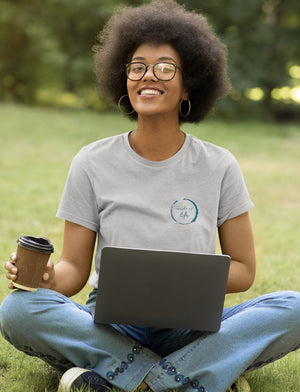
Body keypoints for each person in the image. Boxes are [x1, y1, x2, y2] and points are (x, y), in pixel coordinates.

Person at [0, 1, 300, 392]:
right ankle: (193, 377)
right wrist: (46, 279)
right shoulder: (92, 161)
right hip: (111, 326)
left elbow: (244, 270)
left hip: (190, 329)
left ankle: (134, 379)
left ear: (188, 84)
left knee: (293, 307)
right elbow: (74, 268)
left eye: (164, 68)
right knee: (19, 310)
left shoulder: (219, 165)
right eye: (137, 66)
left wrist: (184, 281)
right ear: (123, 78)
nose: (148, 77)